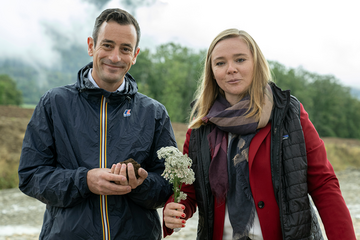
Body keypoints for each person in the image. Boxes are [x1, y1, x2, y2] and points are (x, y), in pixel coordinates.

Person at [162, 29, 356, 240]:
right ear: (212, 72)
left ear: (256, 64)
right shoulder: (201, 127)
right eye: (220, 63)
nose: (231, 69)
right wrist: (174, 211)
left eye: (240, 59)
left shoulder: (289, 113)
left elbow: (324, 184)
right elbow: (189, 191)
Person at [18, 8, 176, 240]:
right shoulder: (54, 103)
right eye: (107, 45)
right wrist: (85, 181)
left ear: (135, 55)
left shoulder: (154, 113)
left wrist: (141, 184)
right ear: (91, 46)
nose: (115, 57)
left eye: (125, 49)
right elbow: (31, 177)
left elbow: (168, 185)